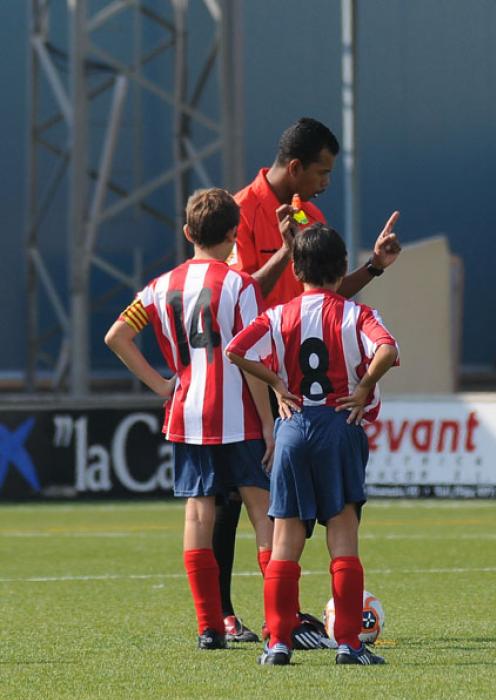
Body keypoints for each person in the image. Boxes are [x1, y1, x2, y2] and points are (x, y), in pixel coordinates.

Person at [217, 117, 401, 644]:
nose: (325, 183)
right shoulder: (238, 211)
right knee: (236, 492)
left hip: (283, 379)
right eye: (321, 172)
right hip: (268, 380)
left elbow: (325, 290)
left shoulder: (309, 214)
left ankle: (285, 628)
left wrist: (373, 269)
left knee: (280, 517)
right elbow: (239, 293)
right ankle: (228, 614)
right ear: (295, 167)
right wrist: (285, 247)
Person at [104, 188, 275, 649]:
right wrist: (270, 424)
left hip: (189, 410)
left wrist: (161, 385)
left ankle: (208, 627)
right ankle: (278, 626)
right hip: (238, 411)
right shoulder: (240, 285)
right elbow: (251, 357)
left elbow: (116, 335)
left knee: (199, 512)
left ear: (187, 233)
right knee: (262, 510)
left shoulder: (160, 287)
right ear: (235, 234)